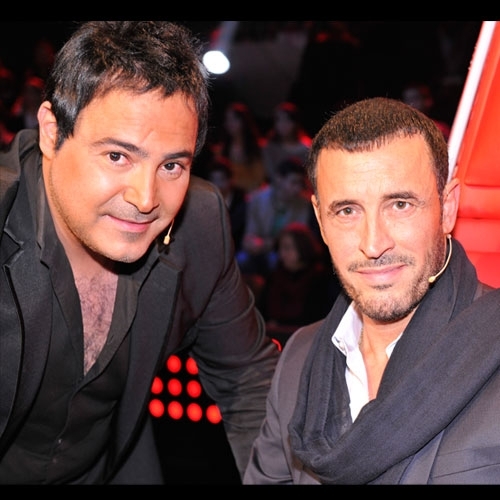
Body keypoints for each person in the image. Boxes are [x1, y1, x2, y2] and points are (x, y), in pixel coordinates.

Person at [0, 21, 279, 485]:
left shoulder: (198, 224)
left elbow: (248, 380)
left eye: (171, 165)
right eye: (118, 157)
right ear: (51, 131)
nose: (146, 198)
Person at [243, 96, 500, 485]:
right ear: (320, 221)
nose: (374, 243)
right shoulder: (298, 359)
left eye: (400, 205)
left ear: (447, 208)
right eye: (347, 211)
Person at [258, 221, 339, 348]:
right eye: (280, 248)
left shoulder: (321, 279)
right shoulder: (275, 277)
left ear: (302, 248)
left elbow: (318, 318)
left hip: (308, 342)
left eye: (287, 248)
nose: (282, 254)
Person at [236, 156, 313, 279]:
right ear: (279, 179)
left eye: (300, 183)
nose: (297, 188)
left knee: (277, 261)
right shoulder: (257, 199)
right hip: (259, 248)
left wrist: (271, 244)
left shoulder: (303, 203)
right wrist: (253, 243)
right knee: (242, 260)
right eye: (293, 182)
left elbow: (298, 238)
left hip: (283, 251)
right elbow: (250, 233)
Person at [211, 101, 267, 193]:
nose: (229, 123)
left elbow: (259, 179)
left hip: (252, 193)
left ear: (243, 121)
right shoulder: (221, 149)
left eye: (233, 119)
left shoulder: (257, 147)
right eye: (227, 119)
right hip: (228, 194)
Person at [261, 101, 311, 185]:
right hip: (276, 188)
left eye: (287, 120)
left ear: (295, 123)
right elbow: (270, 175)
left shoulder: (307, 148)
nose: (283, 124)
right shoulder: (268, 147)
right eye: (279, 120)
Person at [205, 155, 248, 253]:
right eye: (213, 180)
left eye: (221, 180)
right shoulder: (204, 202)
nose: (217, 184)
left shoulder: (241, 201)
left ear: (230, 180)